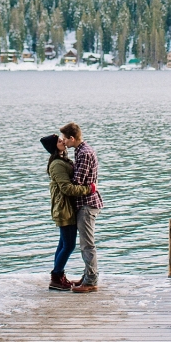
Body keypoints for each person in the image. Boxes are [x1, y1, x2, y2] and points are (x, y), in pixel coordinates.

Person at [39, 134, 96, 291]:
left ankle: (58, 276)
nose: (62, 141)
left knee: (63, 243)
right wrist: (88, 189)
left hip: (67, 207)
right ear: (54, 147)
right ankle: (56, 277)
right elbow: (67, 188)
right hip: (64, 209)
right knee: (69, 244)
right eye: (59, 141)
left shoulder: (62, 161)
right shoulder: (57, 164)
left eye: (62, 139)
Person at [60, 122, 103, 292]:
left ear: (72, 138)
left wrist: (62, 180)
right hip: (85, 202)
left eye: (65, 139)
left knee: (87, 244)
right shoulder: (81, 151)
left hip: (87, 204)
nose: (64, 142)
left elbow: (77, 181)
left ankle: (91, 281)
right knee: (86, 243)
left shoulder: (84, 154)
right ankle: (87, 276)